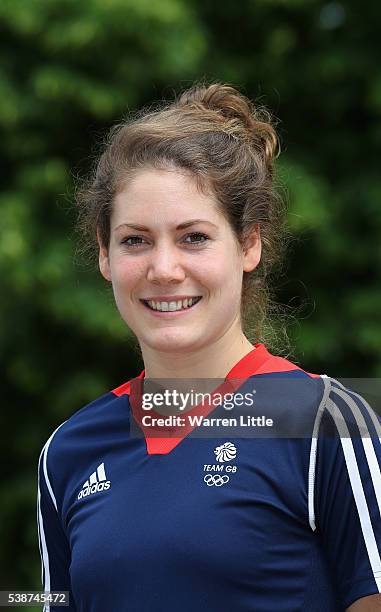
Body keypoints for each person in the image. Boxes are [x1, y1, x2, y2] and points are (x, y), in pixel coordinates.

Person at [37, 82, 381, 611]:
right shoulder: (67, 451)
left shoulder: (324, 424)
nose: (164, 269)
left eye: (193, 237)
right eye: (135, 240)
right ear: (104, 256)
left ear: (248, 244)